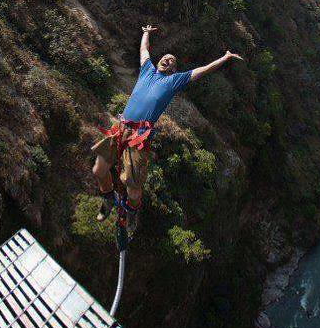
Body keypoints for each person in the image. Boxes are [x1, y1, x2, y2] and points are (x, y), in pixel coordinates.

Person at [92, 25, 243, 232]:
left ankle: (131, 213)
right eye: (166, 57)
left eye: (172, 60)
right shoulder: (147, 70)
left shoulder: (174, 81)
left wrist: (224, 58)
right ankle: (108, 198)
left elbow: (202, 71)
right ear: (160, 61)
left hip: (139, 135)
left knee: (133, 189)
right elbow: (144, 50)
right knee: (98, 169)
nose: (167, 59)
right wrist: (146, 32)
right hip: (120, 126)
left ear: (173, 69)